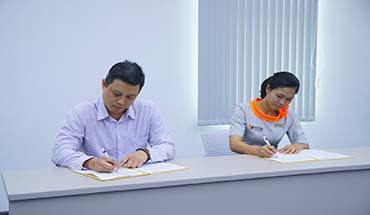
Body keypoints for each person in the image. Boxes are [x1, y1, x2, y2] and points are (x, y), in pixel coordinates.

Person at [52, 60, 175, 172]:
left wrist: (145, 154)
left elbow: (168, 147)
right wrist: (91, 162)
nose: (121, 102)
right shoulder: (82, 112)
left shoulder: (148, 110)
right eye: (116, 94)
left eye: (130, 97)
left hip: (136, 182)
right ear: (104, 84)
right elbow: (60, 152)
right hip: (96, 185)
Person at [229, 71, 309, 157]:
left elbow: (305, 145)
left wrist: (298, 146)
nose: (282, 102)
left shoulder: (289, 114)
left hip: (272, 160)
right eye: (279, 96)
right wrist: (258, 150)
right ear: (268, 89)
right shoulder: (244, 109)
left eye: (288, 99)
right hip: (245, 160)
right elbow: (234, 144)